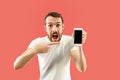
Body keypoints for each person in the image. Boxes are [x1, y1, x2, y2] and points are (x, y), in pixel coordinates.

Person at [14, 12, 87, 80]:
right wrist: (35, 50)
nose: (54, 29)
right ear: (45, 28)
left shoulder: (69, 41)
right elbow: (16, 65)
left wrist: (79, 45)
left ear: (63, 26)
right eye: (50, 25)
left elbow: (82, 68)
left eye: (58, 25)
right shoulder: (38, 42)